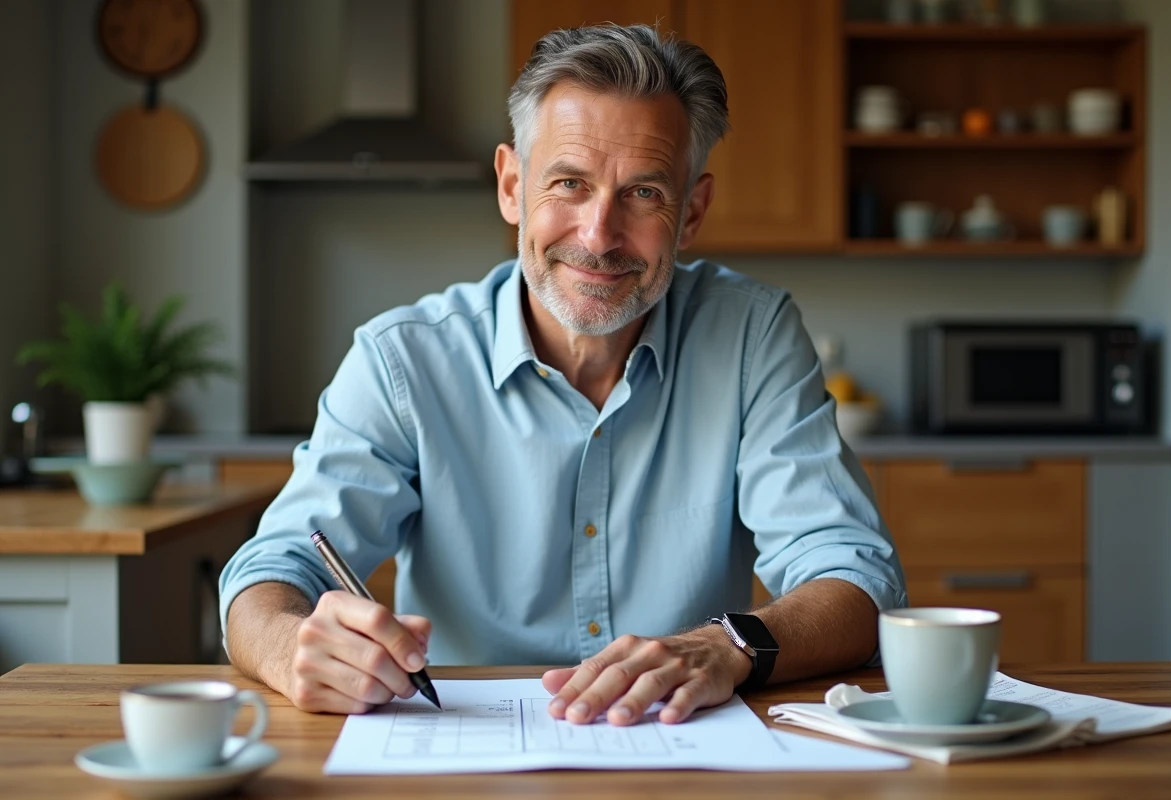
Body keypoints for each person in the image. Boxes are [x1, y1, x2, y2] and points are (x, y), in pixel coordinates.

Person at [219, 23, 906, 727]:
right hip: (466, 751)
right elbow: (270, 573)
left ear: (691, 213)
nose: (598, 235)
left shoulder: (751, 338)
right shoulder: (402, 360)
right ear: (513, 186)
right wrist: (290, 649)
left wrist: (728, 644)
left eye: (642, 194)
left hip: (682, 749)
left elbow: (854, 575)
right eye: (568, 184)